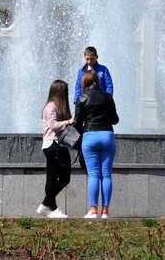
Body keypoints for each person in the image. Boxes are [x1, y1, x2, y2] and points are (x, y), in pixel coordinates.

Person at [71, 70, 119, 219]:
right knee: (106, 174)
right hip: (107, 135)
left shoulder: (82, 97)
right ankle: (105, 212)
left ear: (84, 82)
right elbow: (115, 120)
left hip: (90, 136)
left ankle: (93, 211)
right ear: (97, 81)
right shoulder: (107, 97)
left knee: (93, 174)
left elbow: (77, 122)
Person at [37, 79, 75, 219]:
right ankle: (52, 208)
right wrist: (68, 121)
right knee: (52, 178)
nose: (67, 95)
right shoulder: (51, 107)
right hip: (52, 144)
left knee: (65, 177)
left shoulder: (60, 107)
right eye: (65, 92)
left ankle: (45, 205)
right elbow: (53, 125)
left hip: (61, 144)